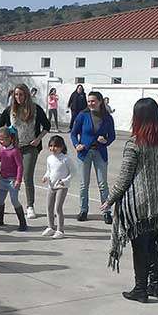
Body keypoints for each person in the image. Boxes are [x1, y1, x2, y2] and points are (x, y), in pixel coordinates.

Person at [100, 98, 158, 303]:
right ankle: (155, 284)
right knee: (152, 244)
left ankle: (140, 289)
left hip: (139, 206)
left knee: (140, 247)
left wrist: (110, 199)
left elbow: (125, 176)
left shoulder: (135, 143)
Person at [0, 83, 51, 219]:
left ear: (26, 95)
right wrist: (6, 137)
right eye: (16, 94)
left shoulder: (35, 109)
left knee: (27, 176)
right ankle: (0, 204)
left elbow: (47, 126)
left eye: (21, 94)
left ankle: (30, 206)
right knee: (8, 176)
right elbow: (0, 125)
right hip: (14, 148)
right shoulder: (10, 110)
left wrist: (38, 139)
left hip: (30, 147)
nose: (18, 97)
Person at [70, 90, 116, 224]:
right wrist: (76, 144)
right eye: (89, 101)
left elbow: (112, 135)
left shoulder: (107, 117)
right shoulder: (82, 115)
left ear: (100, 102)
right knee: (84, 184)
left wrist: (105, 141)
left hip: (100, 153)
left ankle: (106, 211)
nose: (91, 103)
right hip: (84, 153)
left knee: (103, 184)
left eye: (93, 101)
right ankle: (83, 210)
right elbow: (73, 133)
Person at [0, 127, 26, 230]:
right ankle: (0, 219)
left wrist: (18, 180)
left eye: (2, 139)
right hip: (3, 178)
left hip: (12, 180)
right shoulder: (2, 149)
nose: (0, 142)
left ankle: (23, 223)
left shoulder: (15, 151)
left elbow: (20, 166)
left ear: (10, 139)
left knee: (14, 200)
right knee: (0, 200)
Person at [40, 135, 73, 239]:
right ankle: (51, 227)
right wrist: (46, 176)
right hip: (51, 186)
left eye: (55, 146)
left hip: (61, 187)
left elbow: (73, 172)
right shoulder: (50, 158)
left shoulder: (66, 159)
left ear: (61, 147)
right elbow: (49, 170)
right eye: (51, 146)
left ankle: (60, 230)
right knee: (49, 207)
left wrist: (65, 181)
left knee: (58, 208)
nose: (53, 148)